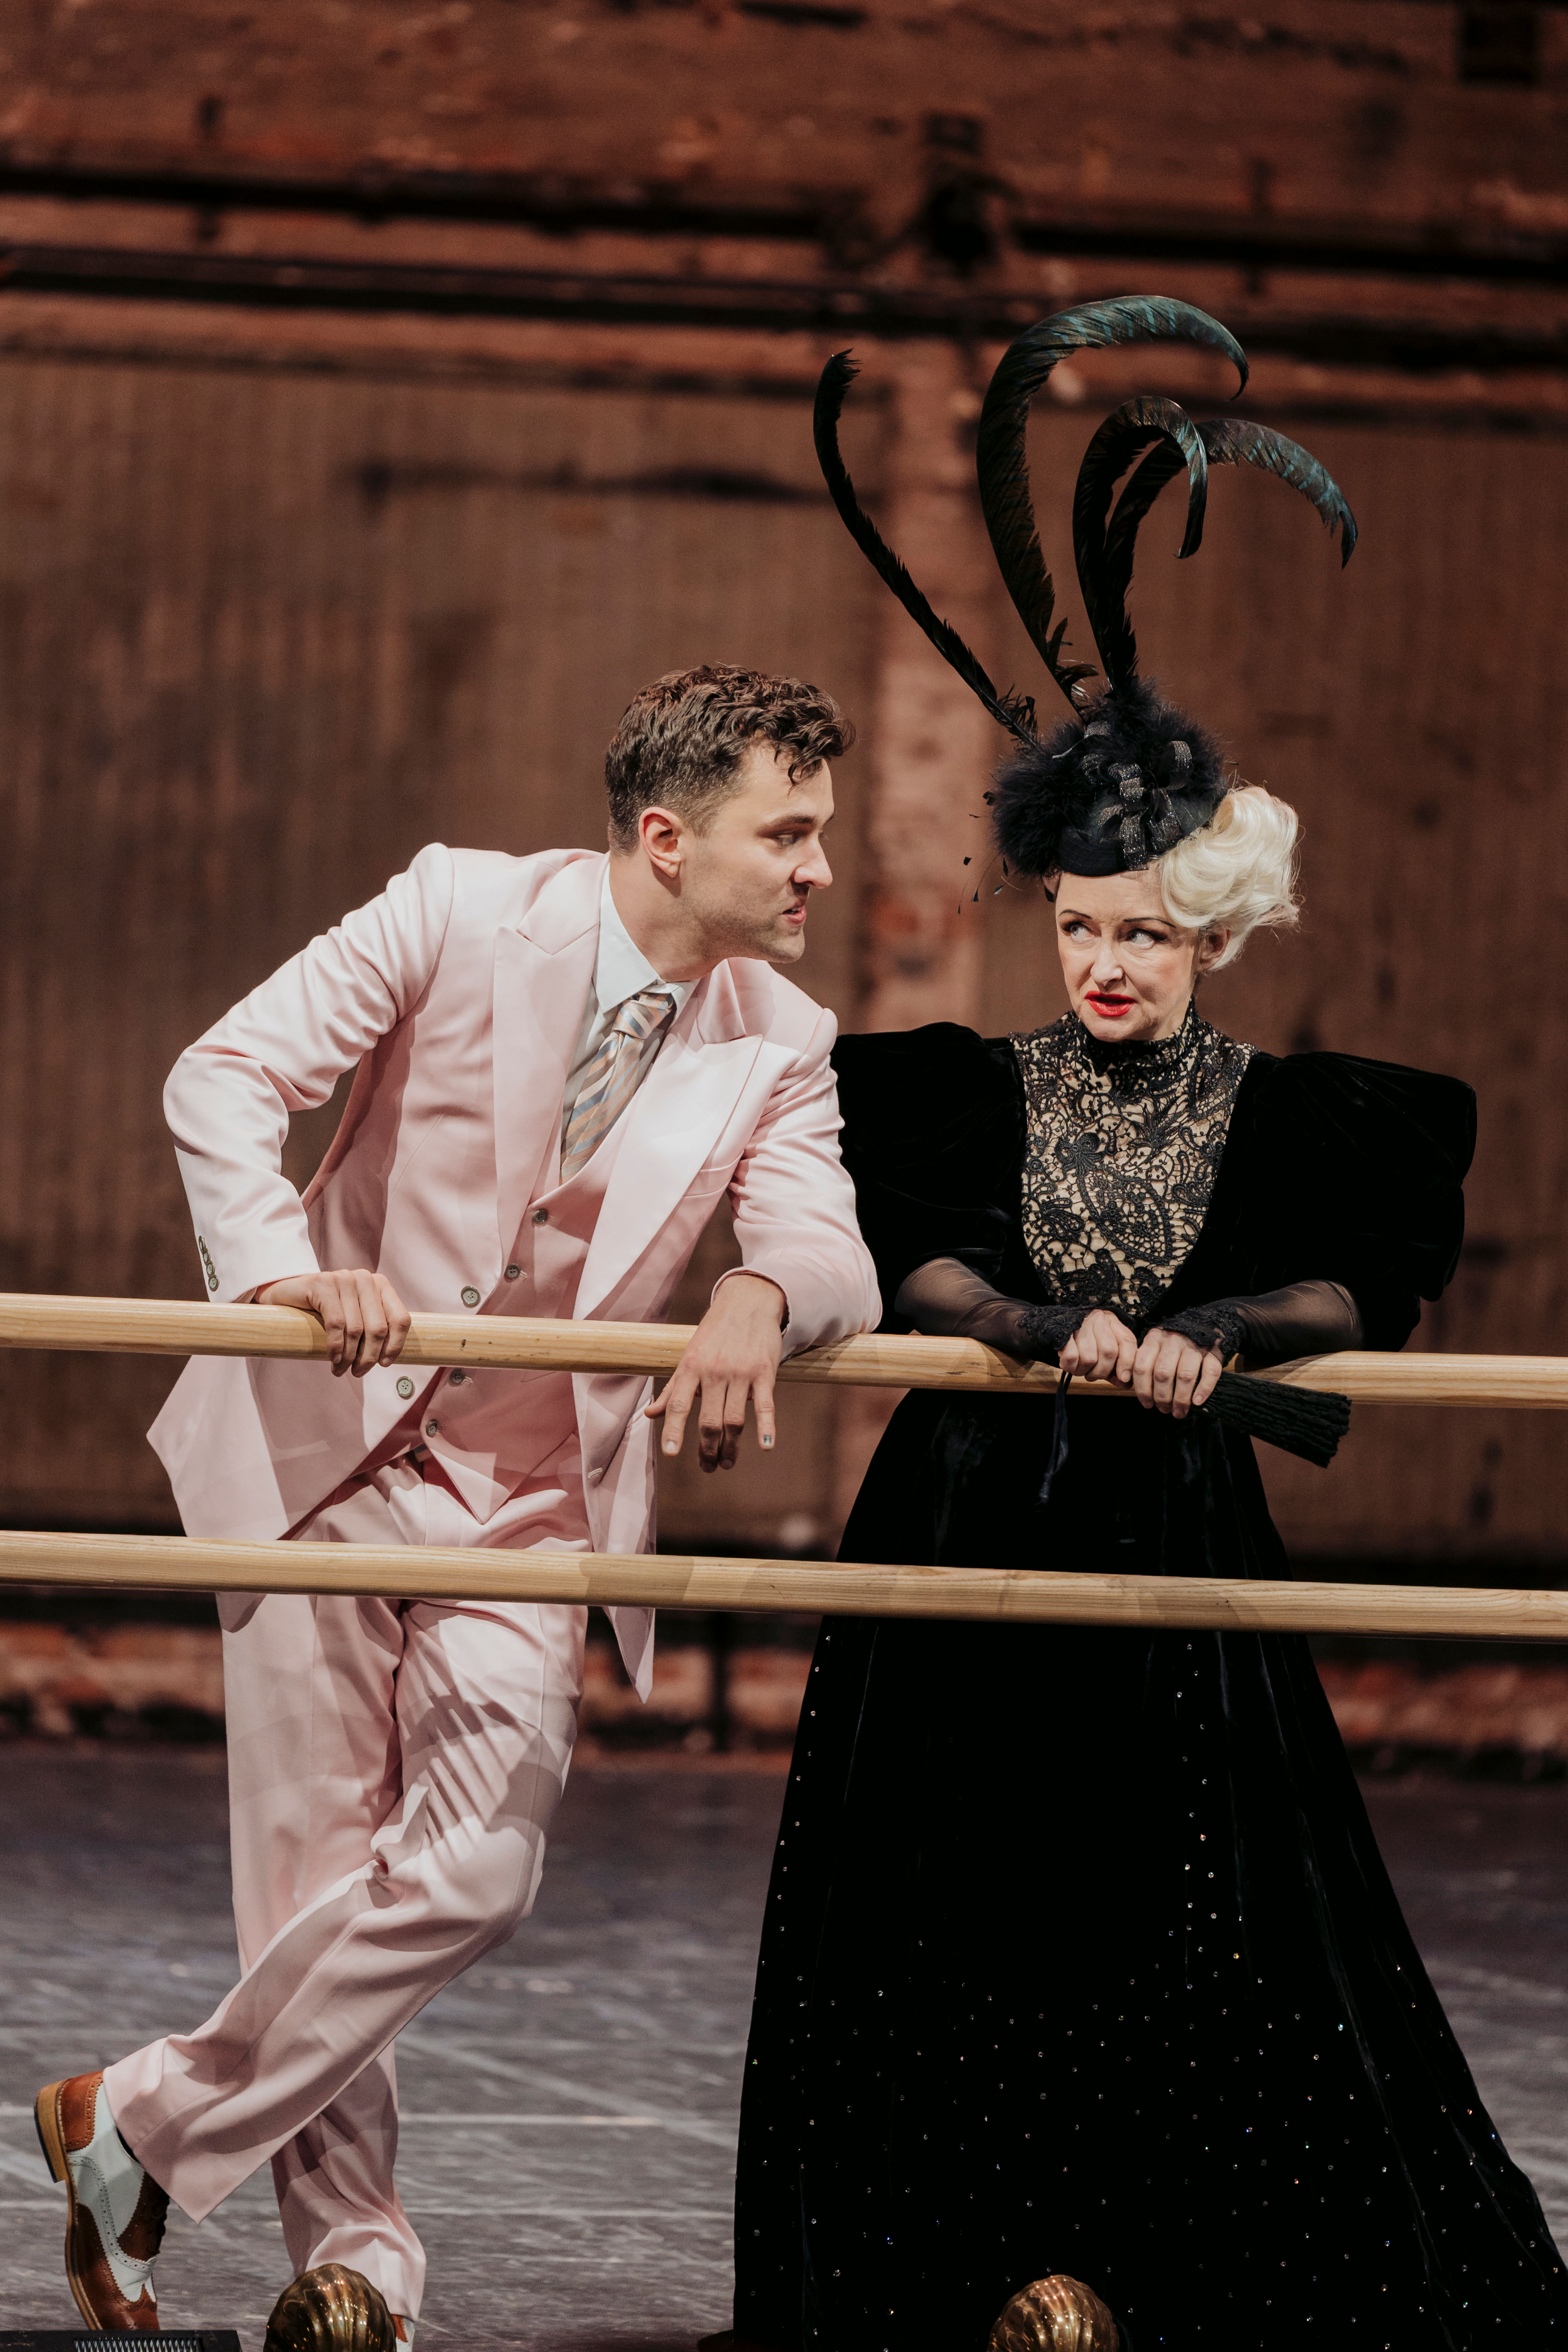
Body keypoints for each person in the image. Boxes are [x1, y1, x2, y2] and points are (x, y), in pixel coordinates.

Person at [729, 304, 1568, 2349]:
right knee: (950, 1903)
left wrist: (1216, 1333)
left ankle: (1154, 2257)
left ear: (1218, 933)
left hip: (1172, 1524)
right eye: (1084, 926)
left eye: (1150, 934)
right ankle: (960, 2261)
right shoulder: (959, 1086)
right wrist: (1045, 1325)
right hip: (967, 1515)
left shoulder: (1298, 1112)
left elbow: (1349, 1281)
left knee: (1189, 1905)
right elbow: (925, 1264)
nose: (1108, 964)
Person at [32, 664, 879, 2336]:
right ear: (667, 836)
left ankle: (132, 2122)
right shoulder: (459, 907)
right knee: (315, 1890)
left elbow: (827, 1239)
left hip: (530, 1504)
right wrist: (279, 1270)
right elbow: (224, 1075)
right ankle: (355, 2267)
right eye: (788, 833)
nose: (819, 868)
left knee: (477, 1870)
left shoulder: (782, 1038)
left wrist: (760, 1291)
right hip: (318, 1461)